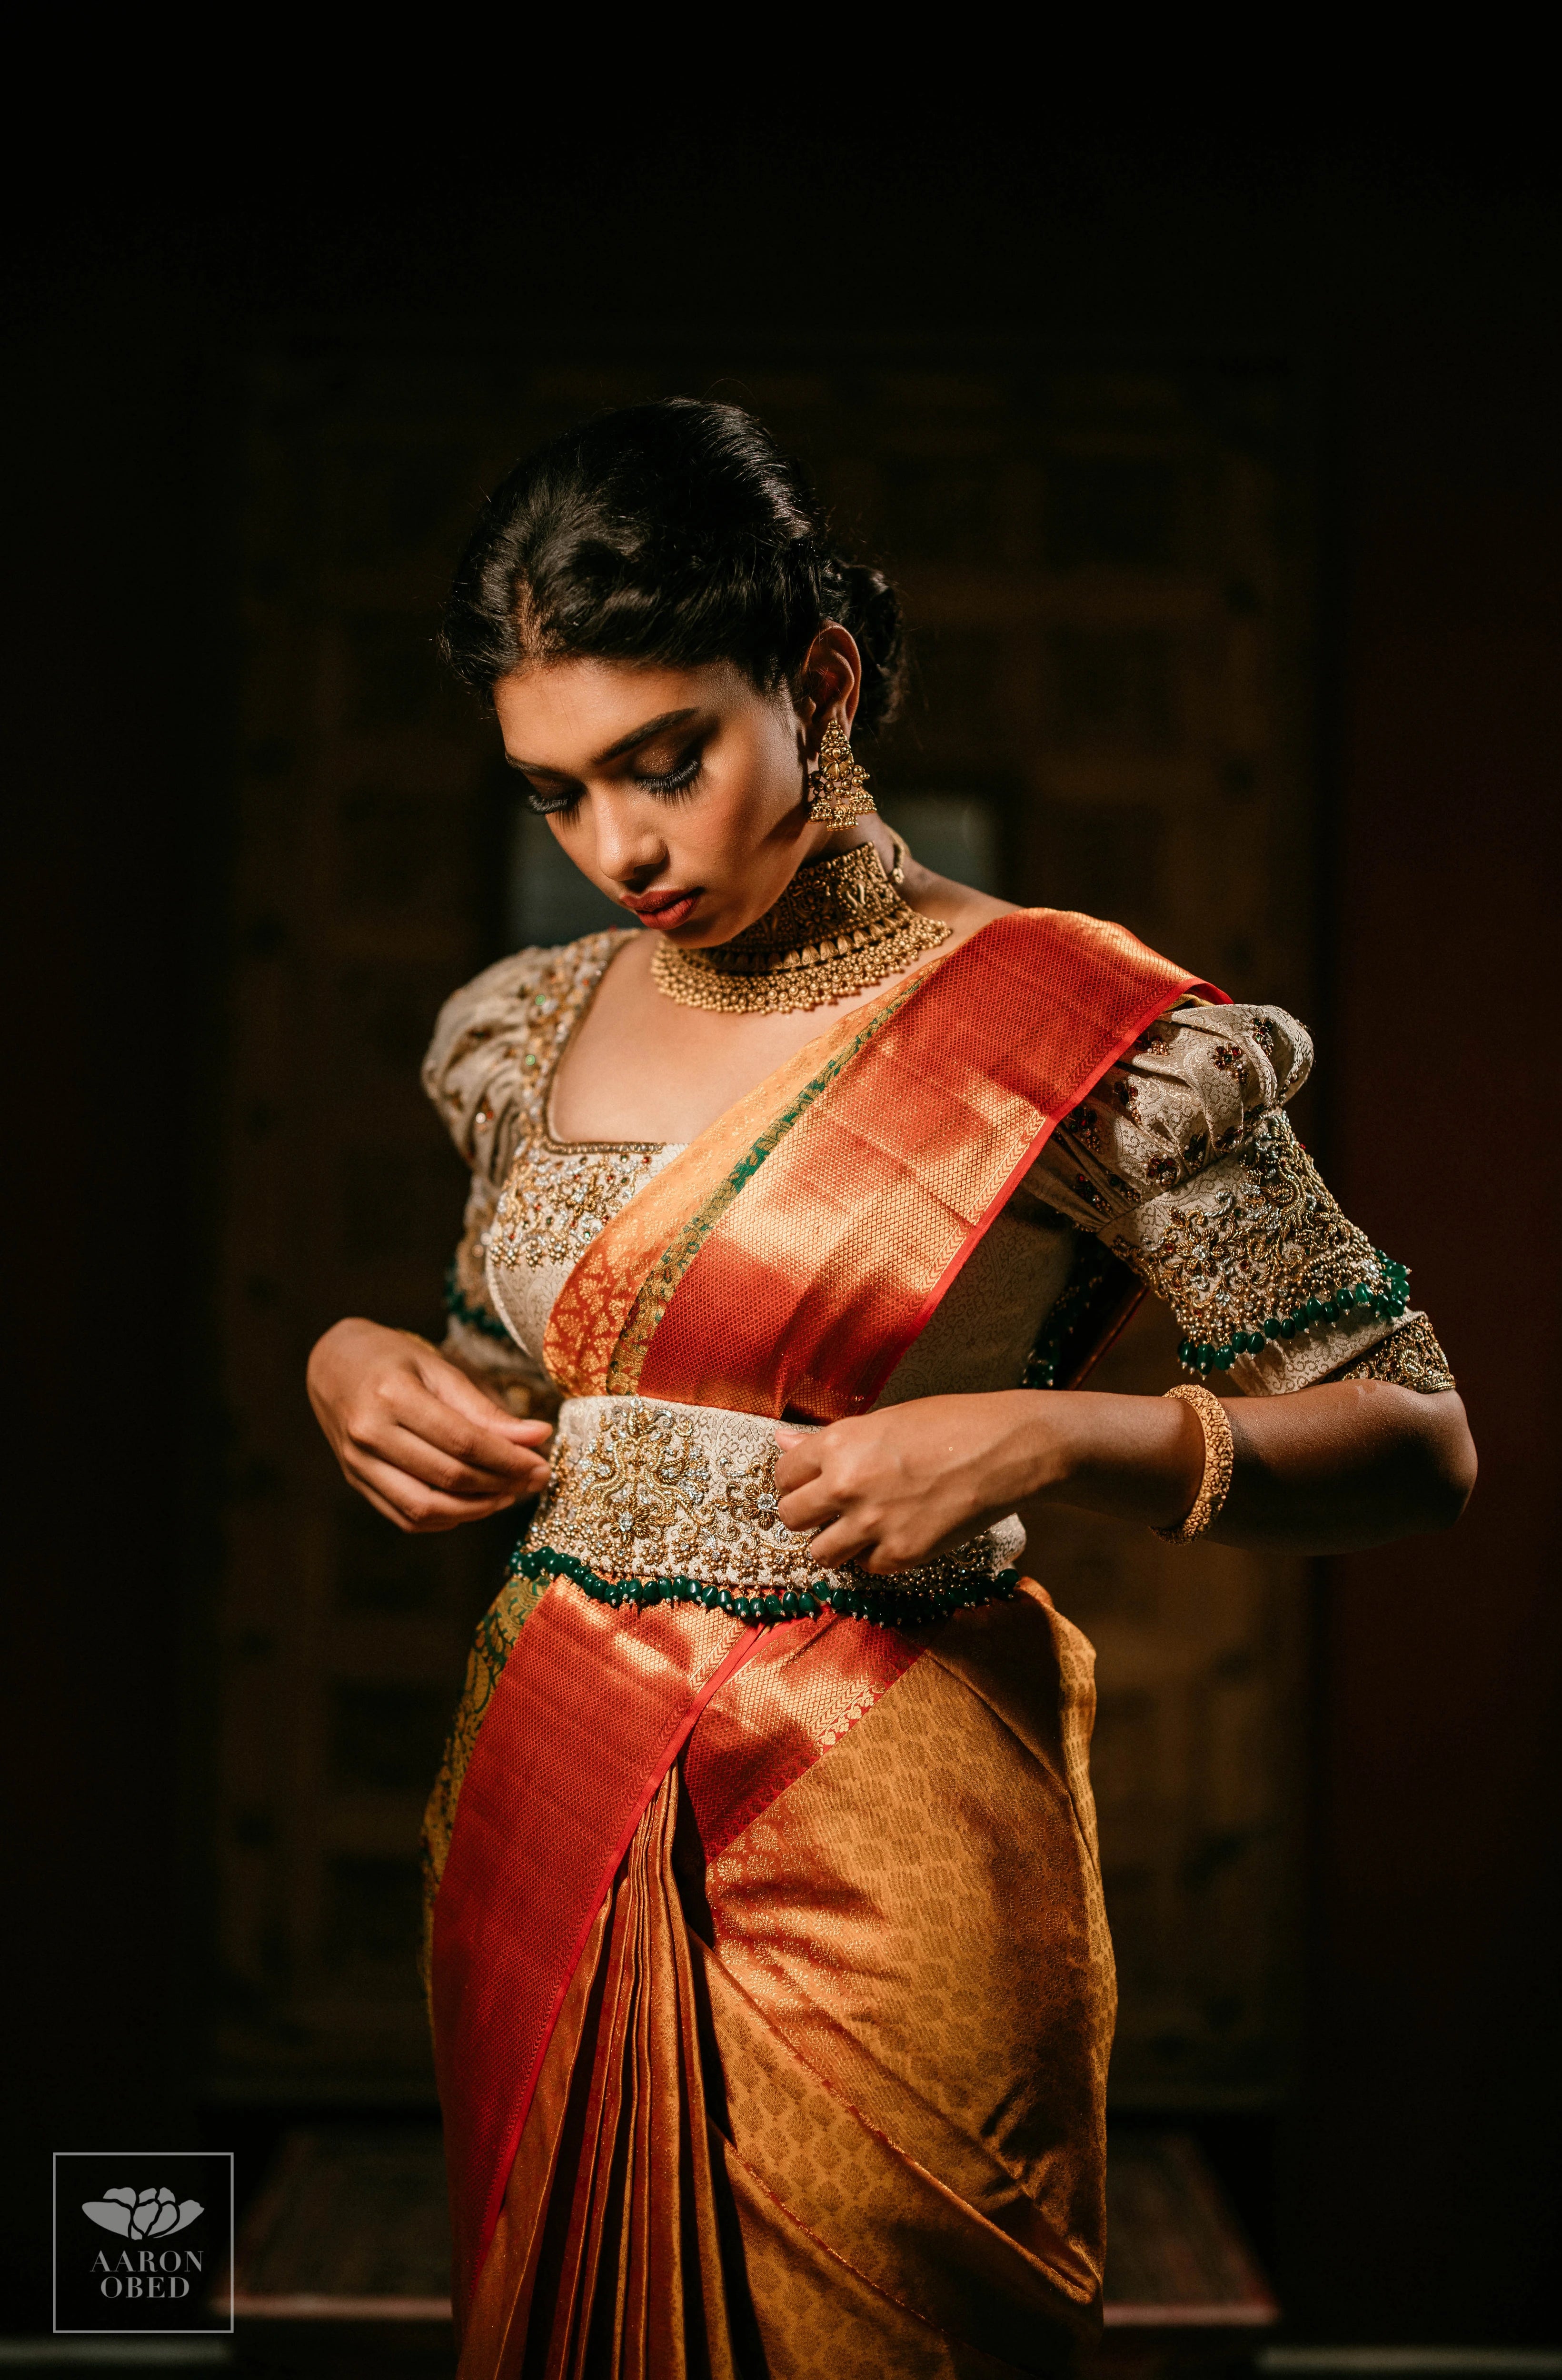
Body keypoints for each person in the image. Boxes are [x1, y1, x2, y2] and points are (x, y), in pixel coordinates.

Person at [307, 399, 1475, 2379]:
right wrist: (362, 1363)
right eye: (559, 793)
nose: (621, 847)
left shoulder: (1092, 1034)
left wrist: (1056, 1433)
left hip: (891, 1817)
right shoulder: (531, 1028)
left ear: (820, 678)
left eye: (665, 760)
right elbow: (537, 1358)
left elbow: (1414, 1439)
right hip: (551, 1791)